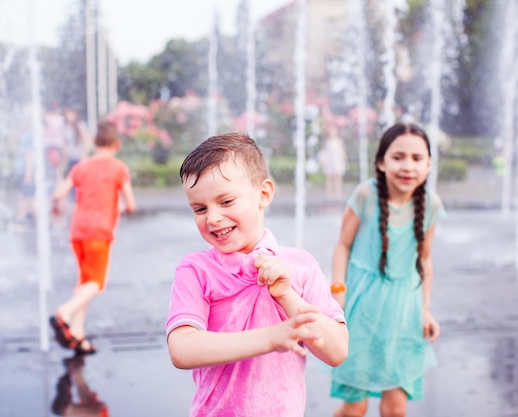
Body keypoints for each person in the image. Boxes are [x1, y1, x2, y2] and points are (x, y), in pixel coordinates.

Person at [166, 132, 349, 417]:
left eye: (226, 202)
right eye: (199, 209)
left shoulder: (299, 266)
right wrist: (272, 337)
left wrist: (288, 296)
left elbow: (336, 351)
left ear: (263, 194)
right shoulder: (196, 270)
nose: (212, 218)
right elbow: (182, 349)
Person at [329, 122, 445, 417]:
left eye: (417, 158)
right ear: (381, 162)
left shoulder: (430, 205)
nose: (408, 166)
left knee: (395, 409)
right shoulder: (366, 195)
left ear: (429, 164)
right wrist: (337, 291)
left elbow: (425, 261)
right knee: (355, 408)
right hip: (361, 309)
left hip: (404, 313)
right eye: (398, 157)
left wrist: (425, 310)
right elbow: (342, 246)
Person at [49, 120, 136, 355]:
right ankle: (64, 313)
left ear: (95, 142)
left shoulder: (81, 167)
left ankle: (78, 335)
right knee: (95, 284)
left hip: (78, 231)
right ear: (117, 144)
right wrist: (115, 209)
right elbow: (130, 204)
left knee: (85, 283)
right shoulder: (119, 168)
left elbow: (59, 194)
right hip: (99, 233)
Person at [319, 125, 348, 199]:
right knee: (329, 177)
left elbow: (342, 151)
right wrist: (323, 161)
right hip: (330, 161)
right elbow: (323, 151)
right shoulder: (327, 141)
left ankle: (338, 192)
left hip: (337, 161)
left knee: (338, 177)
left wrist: (344, 159)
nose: (333, 132)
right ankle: (329, 193)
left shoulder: (339, 141)